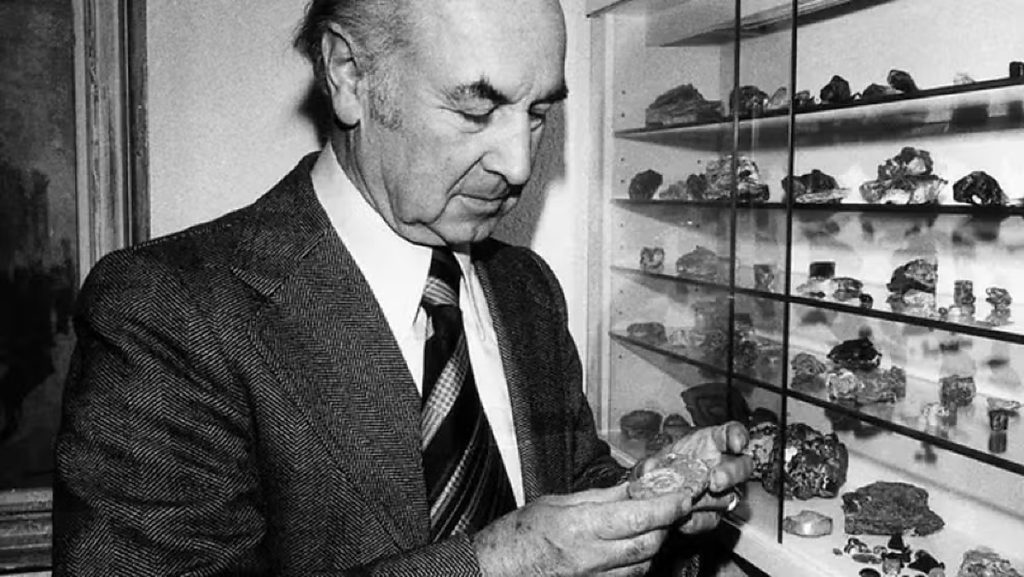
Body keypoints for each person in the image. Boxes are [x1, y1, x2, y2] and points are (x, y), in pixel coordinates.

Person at [53, 0, 753, 575]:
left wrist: (648, 503)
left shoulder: (528, 290)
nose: (518, 164)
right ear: (350, 75)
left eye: (539, 113)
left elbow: (569, 496)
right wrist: (496, 565)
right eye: (476, 111)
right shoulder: (166, 311)